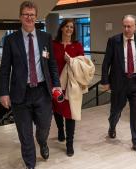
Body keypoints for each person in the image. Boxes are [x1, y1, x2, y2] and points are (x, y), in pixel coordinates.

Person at [0, 1, 61, 168]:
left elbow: (52, 64)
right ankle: (30, 165)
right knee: (25, 135)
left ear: (36, 17)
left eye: (32, 15)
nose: (29, 18)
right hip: (21, 94)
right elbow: (4, 69)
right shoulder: (11, 40)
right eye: (26, 14)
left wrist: (56, 84)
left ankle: (43, 142)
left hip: (43, 92)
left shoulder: (45, 37)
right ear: (20, 17)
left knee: (44, 127)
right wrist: (4, 92)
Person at [101, 15, 136, 156]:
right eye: (124, 26)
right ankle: (112, 125)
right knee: (116, 110)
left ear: (135, 26)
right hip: (119, 83)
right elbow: (106, 63)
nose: (126, 29)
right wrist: (105, 81)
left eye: (129, 26)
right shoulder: (114, 41)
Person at [52, 19, 85, 157]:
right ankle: (60, 129)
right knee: (57, 110)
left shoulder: (77, 45)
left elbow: (82, 64)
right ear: (61, 28)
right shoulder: (53, 45)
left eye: (71, 27)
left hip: (71, 85)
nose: (69, 29)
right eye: (67, 26)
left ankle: (69, 144)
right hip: (56, 84)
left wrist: (71, 61)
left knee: (70, 113)